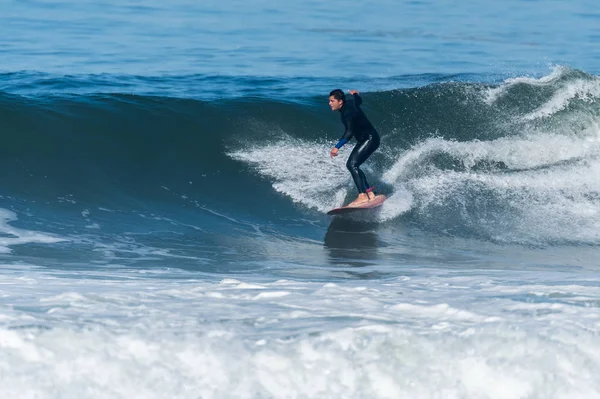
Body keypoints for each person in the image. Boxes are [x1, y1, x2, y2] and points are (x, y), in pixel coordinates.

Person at [329, 89, 381, 206]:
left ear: (340, 102)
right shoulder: (351, 103)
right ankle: (370, 193)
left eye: (332, 101)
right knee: (355, 165)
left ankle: (362, 195)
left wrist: (337, 147)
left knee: (351, 165)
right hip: (369, 138)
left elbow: (349, 132)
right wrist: (355, 94)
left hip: (369, 139)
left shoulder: (347, 113)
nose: (330, 103)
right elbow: (359, 100)